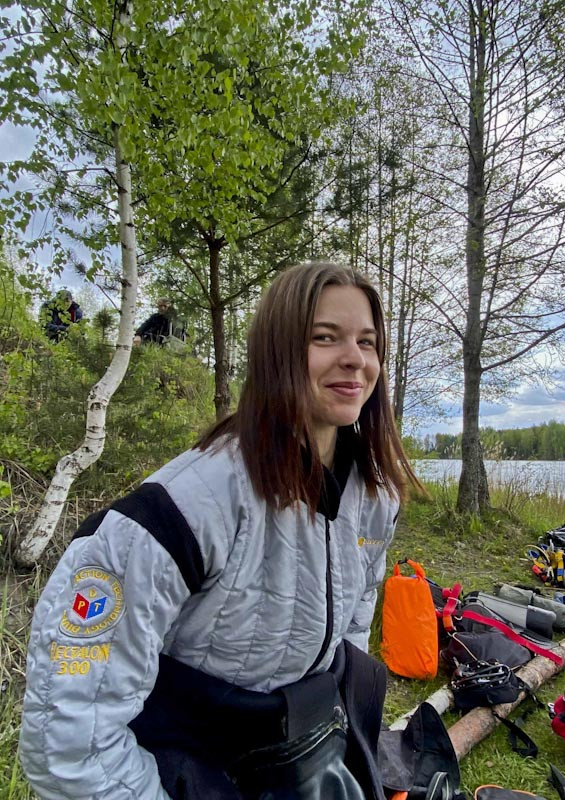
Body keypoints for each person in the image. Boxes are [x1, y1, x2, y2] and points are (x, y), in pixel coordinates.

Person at [20, 262, 422, 800]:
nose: (355, 358)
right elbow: (66, 741)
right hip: (192, 761)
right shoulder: (186, 507)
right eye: (324, 337)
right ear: (275, 352)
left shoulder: (375, 497)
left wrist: (339, 716)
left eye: (367, 342)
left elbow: (354, 612)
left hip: (295, 751)